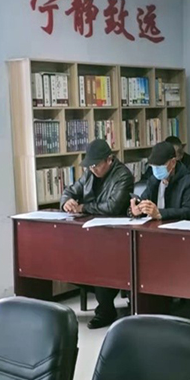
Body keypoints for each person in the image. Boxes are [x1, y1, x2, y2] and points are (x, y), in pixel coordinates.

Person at [60, 139, 134, 329]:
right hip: (93, 232)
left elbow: (113, 206)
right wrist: (67, 201)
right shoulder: (90, 173)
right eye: (90, 166)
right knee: (70, 260)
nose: (92, 169)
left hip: (116, 235)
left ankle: (105, 310)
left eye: (96, 165)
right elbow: (71, 190)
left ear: (109, 159)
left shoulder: (123, 175)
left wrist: (83, 207)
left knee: (99, 261)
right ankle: (105, 302)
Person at [129, 141, 190, 221]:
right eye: (153, 166)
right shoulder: (153, 179)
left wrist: (160, 213)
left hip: (177, 227)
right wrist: (137, 210)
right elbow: (144, 201)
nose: (156, 170)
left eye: (160, 166)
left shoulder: (188, 181)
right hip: (155, 226)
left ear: (173, 162)